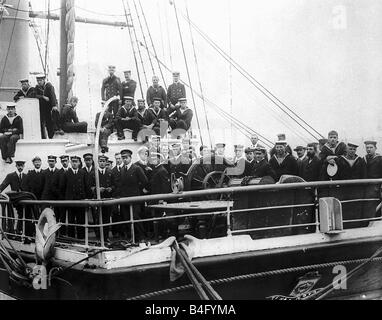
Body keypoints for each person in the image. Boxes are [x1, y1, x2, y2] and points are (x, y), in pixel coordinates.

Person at [119, 149, 148, 239]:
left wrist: (137, 190)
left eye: (126, 157)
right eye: (123, 158)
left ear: (130, 158)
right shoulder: (123, 169)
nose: (125, 160)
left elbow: (145, 181)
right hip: (125, 198)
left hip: (134, 197)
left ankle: (142, 236)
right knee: (127, 218)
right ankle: (131, 237)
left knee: (136, 217)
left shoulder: (136, 168)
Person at [61, 156, 87, 239]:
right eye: (73, 162)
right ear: (70, 163)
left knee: (81, 220)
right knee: (71, 220)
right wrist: (66, 200)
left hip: (80, 202)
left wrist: (85, 199)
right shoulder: (66, 173)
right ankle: (71, 238)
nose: (74, 163)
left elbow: (86, 187)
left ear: (79, 163)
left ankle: (81, 238)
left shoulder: (83, 173)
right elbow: (62, 188)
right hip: (70, 202)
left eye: (76, 162)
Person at [89, 155, 114, 242]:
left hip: (107, 199)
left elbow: (114, 185)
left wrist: (111, 188)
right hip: (97, 200)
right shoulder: (93, 173)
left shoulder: (110, 173)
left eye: (104, 161)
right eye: (100, 161)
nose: (102, 163)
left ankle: (106, 236)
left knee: (106, 218)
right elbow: (90, 186)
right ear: (98, 162)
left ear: (106, 162)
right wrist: (97, 189)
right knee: (97, 218)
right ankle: (99, 237)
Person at [0, 160, 27, 234]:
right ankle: (11, 231)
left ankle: (19, 231)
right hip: (14, 199)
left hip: (23, 200)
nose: (20, 167)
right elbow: (3, 185)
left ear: (24, 166)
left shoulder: (26, 176)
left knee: (22, 215)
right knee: (12, 215)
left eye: (22, 166)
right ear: (16, 166)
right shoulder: (11, 176)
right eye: (19, 166)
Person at [35, 74, 58, 139]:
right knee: (41, 123)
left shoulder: (49, 86)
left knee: (49, 123)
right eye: (38, 81)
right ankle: (43, 138)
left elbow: (52, 95)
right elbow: (34, 95)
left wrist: (54, 105)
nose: (39, 82)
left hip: (48, 108)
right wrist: (42, 97)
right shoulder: (37, 88)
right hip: (41, 108)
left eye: (40, 80)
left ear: (44, 80)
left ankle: (51, 137)